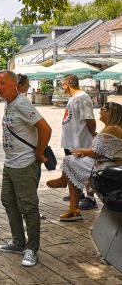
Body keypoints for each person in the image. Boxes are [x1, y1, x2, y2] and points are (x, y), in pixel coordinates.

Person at [0, 71, 52, 267]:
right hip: (9, 163)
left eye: (3, 83)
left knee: (28, 207)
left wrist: (39, 153)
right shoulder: (8, 104)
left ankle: (32, 249)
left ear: (14, 84)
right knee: (8, 200)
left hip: (25, 163)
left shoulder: (22, 103)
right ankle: (19, 242)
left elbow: (46, 129)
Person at [47, 102, 122, 220]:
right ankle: (72, 206)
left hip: (106, 166)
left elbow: (97, 152)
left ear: (109, 112)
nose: (99, 111)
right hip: (105, 163)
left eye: (102, 109)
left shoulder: (112, 128)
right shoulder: (112, 127)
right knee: (71, 162)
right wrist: (84, 152)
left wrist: (84, 151)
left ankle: (71, 202)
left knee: (70, 161)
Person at [59, 74, 98, 210]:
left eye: (62, 85)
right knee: (73, 168)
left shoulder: (82, 97)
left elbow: (89, 119)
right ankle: (77, 193)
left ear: (67, 84)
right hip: (71, 140)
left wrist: (92, 134)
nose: (62, 88)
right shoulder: (74, 98)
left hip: (81, 140)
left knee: (86, 169)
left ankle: (91, 197)